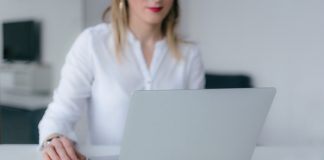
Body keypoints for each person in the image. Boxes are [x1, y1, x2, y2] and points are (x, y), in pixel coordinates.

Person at [39, 0, 205, 159]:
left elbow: (195, 125)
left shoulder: (190, 54)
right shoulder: (93, 43)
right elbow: (60, 114)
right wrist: (53, 140)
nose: (156, 0)